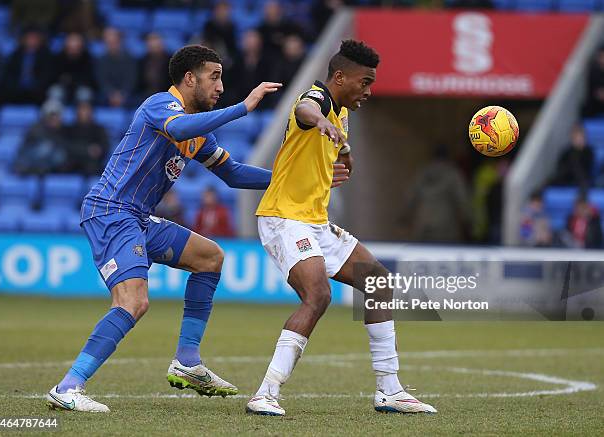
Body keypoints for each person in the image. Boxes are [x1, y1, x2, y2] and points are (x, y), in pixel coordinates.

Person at [46, 44, 283, 413]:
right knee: (133, 301)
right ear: (190, 79)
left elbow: (233, 174)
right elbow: (180, 126)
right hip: (110, 211)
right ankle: (68, 386)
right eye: (214, 77)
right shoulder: (161, 105)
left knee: (210, 257)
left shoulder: (199, 133)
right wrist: (243, 108)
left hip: (138, 217)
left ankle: (187, 361)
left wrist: (293, 183)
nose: (221, 86)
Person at [247, 40, 436, 416]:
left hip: (314, 221)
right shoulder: (318, 99)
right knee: (317, 295)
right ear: (339, 77)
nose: (369, 91)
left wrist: (345, 152)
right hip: (284, 216)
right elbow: (305, 109)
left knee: (378, 281)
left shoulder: (342, 114)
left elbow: (329, 145)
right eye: (364, 82)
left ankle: (390, 390)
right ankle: (265, 392)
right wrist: (319, 121)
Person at [14, 99, 69, 175]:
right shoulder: (35, 129)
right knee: (46, 147)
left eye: (57, 115)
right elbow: (23, 152)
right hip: (31, 162)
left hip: (52, 167)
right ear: (45, 116)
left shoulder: (65, 131)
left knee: (59, 155)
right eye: (51, 116)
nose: (54, 119)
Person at [64, 101, 109, 175]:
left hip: (92, 163)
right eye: (82, 109)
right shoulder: (70, 129)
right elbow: (67, 146)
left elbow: (105, 146)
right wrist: (87, 150)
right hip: (73, 161)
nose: (84, 113)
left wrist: (99, 149)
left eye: (87, 110)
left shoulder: (99, 129)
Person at [95, 27, 137, 107]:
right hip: (107, 95)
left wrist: (122, 94)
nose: (112, 45)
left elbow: (131, 79)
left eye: (114, 42)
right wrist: (110, 94)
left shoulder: (129, 58)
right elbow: (102, 80)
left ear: (120, 41)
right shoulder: (101, 60)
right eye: (109, 42)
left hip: (126, 94)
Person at [550, 125, 594, 190]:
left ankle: (582, 198)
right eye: (576, 138)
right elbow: (560, 166)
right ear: (572, 139)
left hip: (582, 177)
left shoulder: (588, 152)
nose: (578, 140)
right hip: (567, 176)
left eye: (580, 137)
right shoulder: (567, 152)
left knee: (582, 178)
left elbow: (588, 167)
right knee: (551, 179)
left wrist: (578, 153)